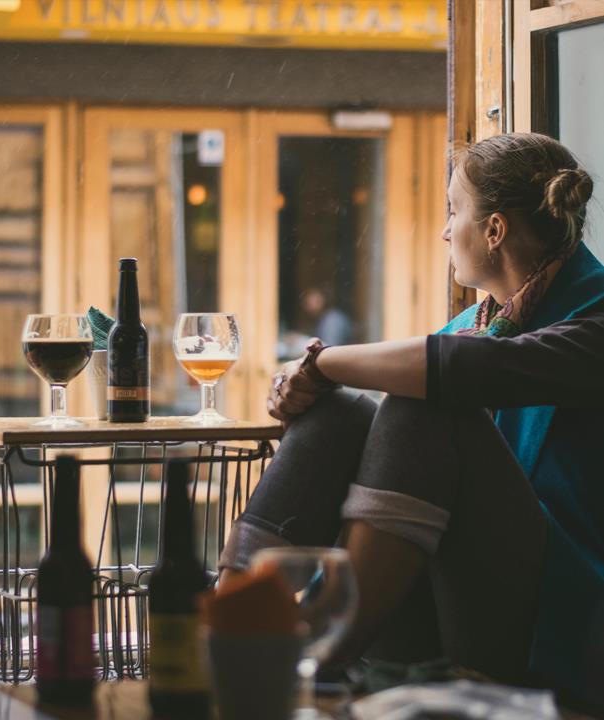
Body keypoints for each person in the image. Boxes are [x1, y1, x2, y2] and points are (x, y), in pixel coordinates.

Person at [219, 133, 604, 711]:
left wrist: (322, 363)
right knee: (340, 414)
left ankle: (321, 657)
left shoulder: (593, 321)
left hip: (557, 621)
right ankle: (231, 629)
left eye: (455, 211)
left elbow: (467, 372)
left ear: (494, 230)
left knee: (418, 403)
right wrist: (316, 388)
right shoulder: (480, 324)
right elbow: (443, 371)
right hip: (450, 593)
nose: (447, 230)